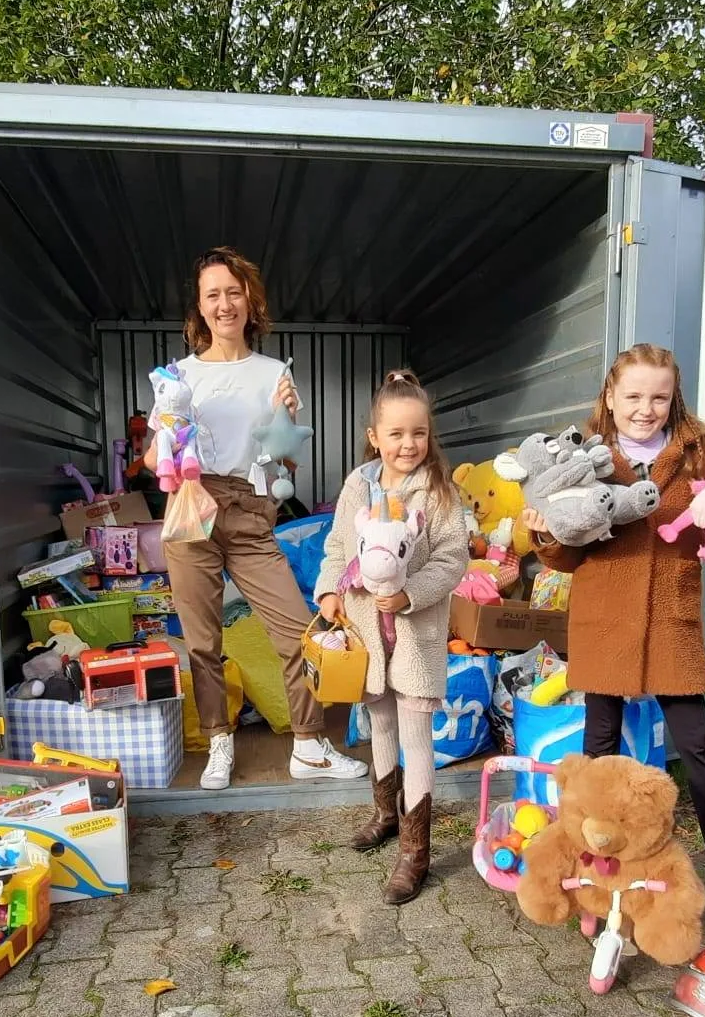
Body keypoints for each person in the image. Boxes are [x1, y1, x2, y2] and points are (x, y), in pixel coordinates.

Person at [528, 345, 705, 916]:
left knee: (698, 746)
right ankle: (593, 866)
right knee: (599, 747)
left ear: (673, 398)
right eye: (633, 396)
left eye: (658, 397)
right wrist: (544, 534)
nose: (645, 408)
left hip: (669, 621)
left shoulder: (698, 458)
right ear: (610, 397)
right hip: (605, 621)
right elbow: (563, 558)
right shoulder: (584, 459)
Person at [153, 246, 368, 791]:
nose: (224, 304)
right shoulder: (176, 376)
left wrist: (287, 415)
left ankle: (308, 745)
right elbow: (155, 462)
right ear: (198, 309)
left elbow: (287, 459)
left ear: (250, 300)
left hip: (249, 510)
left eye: (233, 292)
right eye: (212, 295)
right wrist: (170, 431)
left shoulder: (274, 373)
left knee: (298, 632)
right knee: (203, 642)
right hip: (191, 505)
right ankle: (219, 744)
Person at [315, 371, 471, 903]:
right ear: (373, 436)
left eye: (419, 434)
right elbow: (338, 543)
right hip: (366, 631)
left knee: (415, 733)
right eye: (397, 434)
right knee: (377, 718)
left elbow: (454, 558)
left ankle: (415, 849)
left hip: (415, 634)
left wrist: (412, 595)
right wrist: (329, 594)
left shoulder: (439, 490)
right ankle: (385, 812)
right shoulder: (358, 485)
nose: (409, 445)